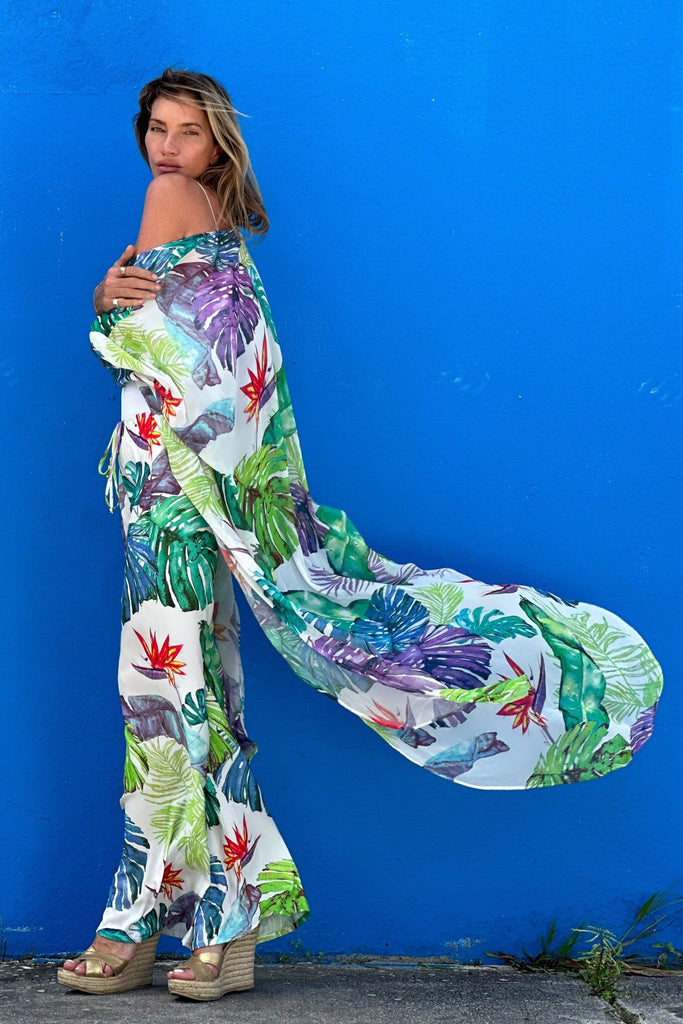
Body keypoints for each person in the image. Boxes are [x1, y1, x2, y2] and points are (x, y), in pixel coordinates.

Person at [59, 68, 663, 1001]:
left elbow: (169, 358)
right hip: (181, 490)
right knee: (190, 693)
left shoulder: (170, 201)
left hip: (174, 494)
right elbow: (218, 361)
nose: (166, 149)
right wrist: (119, 312)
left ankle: (174, 917)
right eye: (156, 129)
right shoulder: (222, 233)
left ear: (217, 146)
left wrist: (106, 314)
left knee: (165, 696)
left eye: (187, 132)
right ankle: (190, 913)